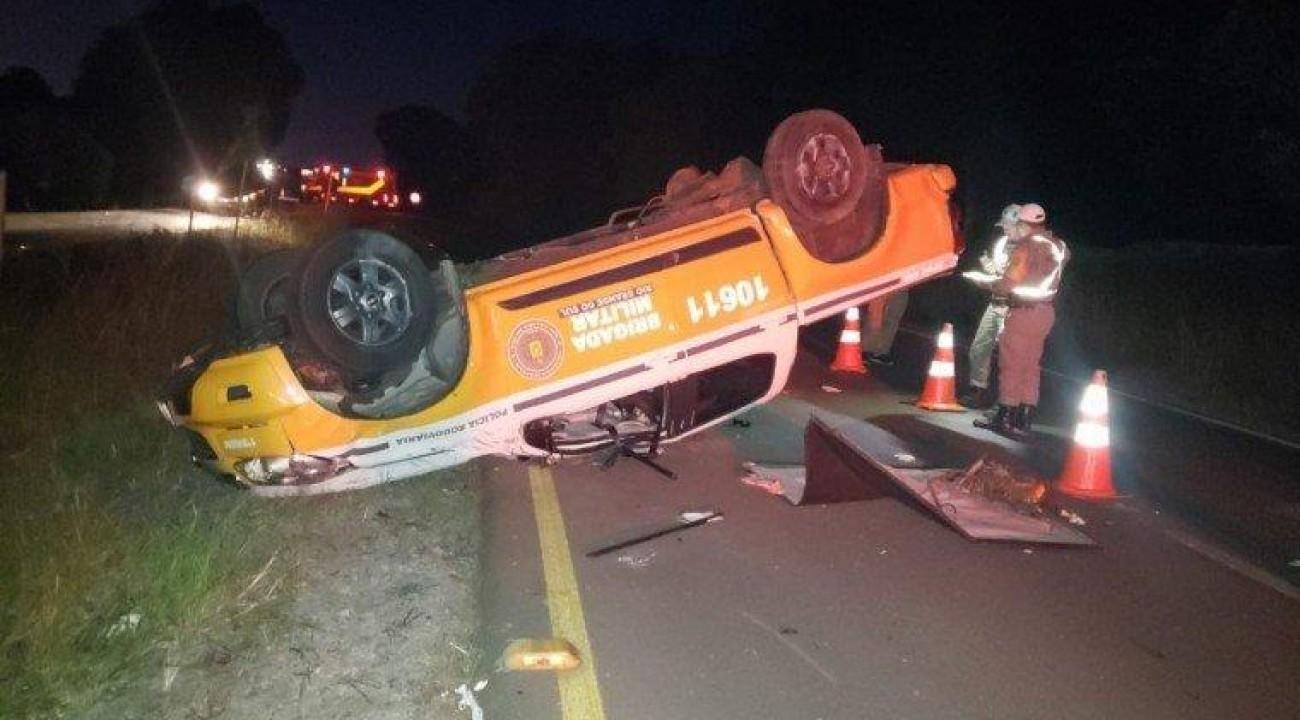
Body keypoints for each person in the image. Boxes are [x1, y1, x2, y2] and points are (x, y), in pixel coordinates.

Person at [974, 203, 1069, 438]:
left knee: (1011, 364)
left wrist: (985, 283)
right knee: (1031, 365)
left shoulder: (1025, 247)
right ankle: (1024, 416)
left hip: (1022, 312)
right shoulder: (1058, 245)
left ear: (1022, 224)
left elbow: (1009, 282)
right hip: (1045, 312)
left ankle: (1004, 415)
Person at [959, 204, 1022, 408]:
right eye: (1004, 225)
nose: (1005, 229)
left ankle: (1006, 401)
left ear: (1020, 225)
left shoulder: (1028, 249)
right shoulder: (1002, 243)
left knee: (1008, 355)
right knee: (979, 347)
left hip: (1014, 307)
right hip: (996, 302)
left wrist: (993, 281)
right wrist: (988, 270)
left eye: (1009, 226)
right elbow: (998, 272)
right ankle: (977, 389)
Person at [863, 290, 909, 366]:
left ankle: (881, 351)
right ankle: (867, 349)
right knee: (875, 317)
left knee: (892, 319)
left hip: (902, 286)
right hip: (884, 285)